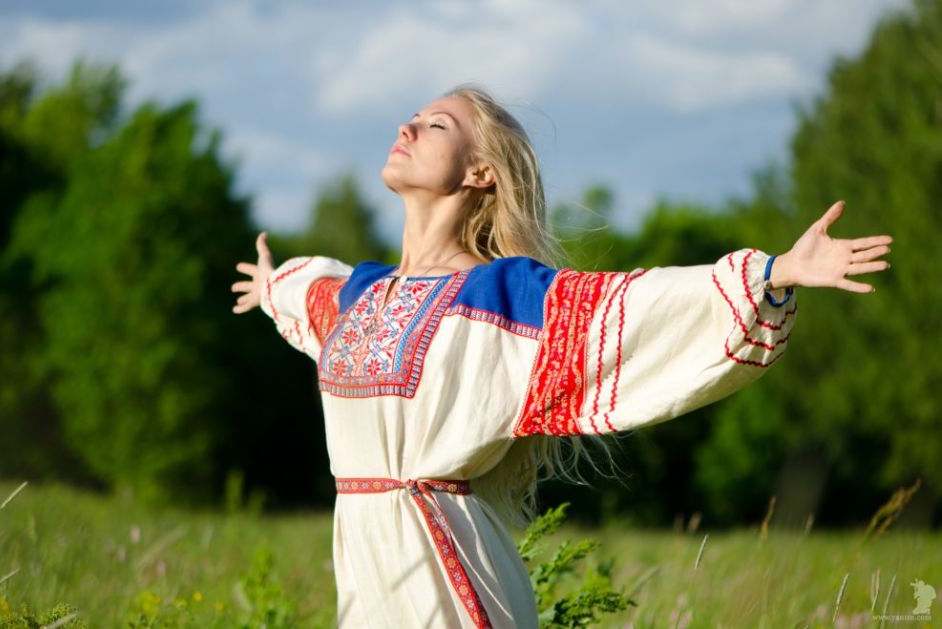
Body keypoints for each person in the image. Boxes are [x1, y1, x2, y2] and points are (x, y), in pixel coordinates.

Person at [231, 86, 892, 628]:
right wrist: (271, 287)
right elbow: (307, 295)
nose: (407, 126)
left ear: (479, 172)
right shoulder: (359, 295)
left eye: (434, 124)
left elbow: (637, 310)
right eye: (411, 116)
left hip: (445, 576)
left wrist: (773, 273)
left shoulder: (505, 300)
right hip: (367, 574)